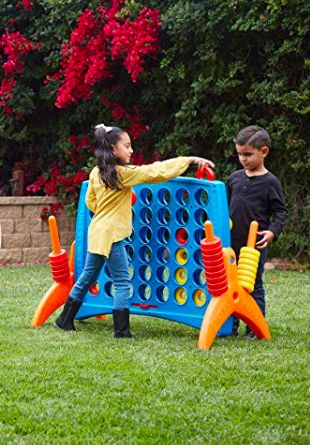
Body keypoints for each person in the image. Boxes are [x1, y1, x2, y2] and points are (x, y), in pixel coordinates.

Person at [55, 123, 215, 338]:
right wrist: (188, 160)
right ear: (113, 149)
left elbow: (90, 202)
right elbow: (154, 171)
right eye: (127, 146)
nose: (131, 151)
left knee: (87, 276)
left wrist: (106, 210)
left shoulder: (96, 172)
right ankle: (121, 332)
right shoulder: (123, 174)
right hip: (111, 235)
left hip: (97, 231)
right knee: (122, 281)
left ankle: (64, 320)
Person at [226, 125, 288, 339]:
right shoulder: (234, 178)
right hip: (231, 244)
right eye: (240, 154)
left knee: (253, 286)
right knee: (228, 285)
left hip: (254, 246)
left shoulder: (270, 182)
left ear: (264, 152)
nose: (243, 159)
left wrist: (271, 233)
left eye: (248, 154)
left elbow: (281, 212)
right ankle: (229, 326)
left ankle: (254, 326)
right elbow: (225, 208)